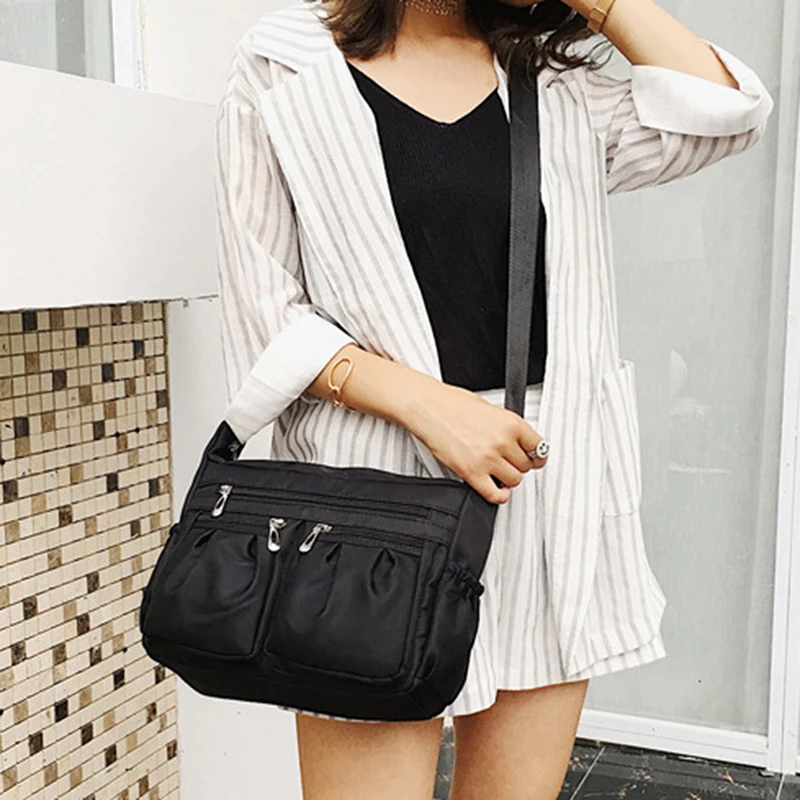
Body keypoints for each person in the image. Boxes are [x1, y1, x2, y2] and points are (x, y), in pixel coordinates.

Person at [213, 0, 774, 795]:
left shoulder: (553, 84)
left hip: (540, 497)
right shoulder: (283, 62)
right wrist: (430, 407)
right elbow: (263, 312)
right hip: (369, 508)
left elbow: (727, 112)